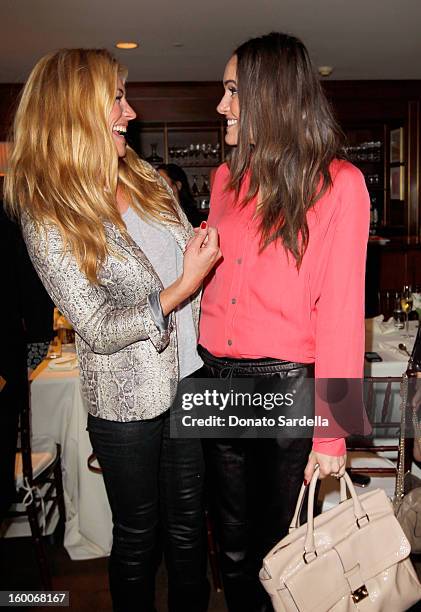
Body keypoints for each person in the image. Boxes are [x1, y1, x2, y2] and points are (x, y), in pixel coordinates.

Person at [4, 48, 221, 612]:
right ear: (77, 111)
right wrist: (180, 290)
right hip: (126, 399)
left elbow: (185, 249)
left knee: (189, 530)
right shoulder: (48, 210)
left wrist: (202, 249)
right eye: (117, 99)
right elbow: (96, 327)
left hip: (190, 376)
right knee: (138, 538)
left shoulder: (145, 176)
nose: (131, 110)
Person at [198, 32, 370, 611]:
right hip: (214, 379)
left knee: (283, 556)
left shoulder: (339, 184)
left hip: (283, 386)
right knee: (232, 552)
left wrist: (333, 433)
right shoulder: (225, 179)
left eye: (231, 91)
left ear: (268, 96)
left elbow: (343, 316)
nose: (221, 105)